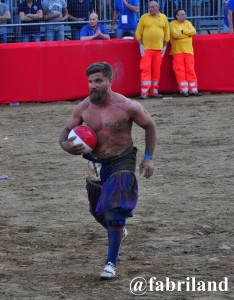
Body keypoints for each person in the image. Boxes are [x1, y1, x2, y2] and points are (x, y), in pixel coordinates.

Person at [59, 62, 156, 279]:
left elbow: (150, 126)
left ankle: (110, 263)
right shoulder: (83, 108)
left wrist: (148, 158)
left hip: (122, 160)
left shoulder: (127, 106)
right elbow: (65, 131)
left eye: (98, 81)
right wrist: (64, 145)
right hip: (95, 162)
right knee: (97, 211)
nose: (93, 86)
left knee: (114, 211)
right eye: (90, 82)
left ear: (110, 81)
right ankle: (117, 229)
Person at [135, 1, 170, 99]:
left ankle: (154, 90)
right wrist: (140, 45)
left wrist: (165, 46)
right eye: (149, 7)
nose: (150, 9)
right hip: (146, 49)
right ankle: (144, 92)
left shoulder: (163, 18)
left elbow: (167, 33)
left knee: (156, 70)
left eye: (153, 7)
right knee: (145, 69)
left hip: (159, 49)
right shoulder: (144, 17)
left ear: (157, 8)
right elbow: (138, 33)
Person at [169, 9, 202, 97]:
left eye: (184, 14)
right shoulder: (172, 24)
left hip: (189, 51)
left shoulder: (188, 23)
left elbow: (194, 32)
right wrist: (187, 33)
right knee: (180, 71)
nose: (184, 16)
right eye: (182, 14)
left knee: (190, 70)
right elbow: (175, 35)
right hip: (177, 51)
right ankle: (184, 90)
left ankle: (193, 90)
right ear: (177, 16)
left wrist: (182, 32)